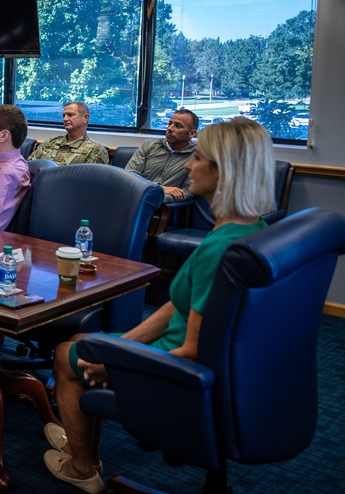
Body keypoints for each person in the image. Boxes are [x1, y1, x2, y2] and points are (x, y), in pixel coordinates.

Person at [43, 117, 274, 493]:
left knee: (66, 355)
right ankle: (81, 441)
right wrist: (121, 345)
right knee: (88, 337)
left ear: (225, 171)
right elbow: (178, 308)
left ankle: (82, 466)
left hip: (181, 370)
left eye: (198, 158)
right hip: (233, 371)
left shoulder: (218, 249)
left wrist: (116, 360)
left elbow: (192, 350)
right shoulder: (254, 228)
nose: (187, 165)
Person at [125, 109, 199, 203]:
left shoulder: (196, 156)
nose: (170, 129)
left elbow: (187, 192)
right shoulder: (149, 145)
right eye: (170, 123)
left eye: (178, 126)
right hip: (132, 199)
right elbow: (129, 177)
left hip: (163, 206)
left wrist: (157, 198)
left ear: (191, 133)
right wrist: (160, 189)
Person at [28, 102, 109, 165]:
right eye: (64, 115)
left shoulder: (95, 150)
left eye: (70, 115)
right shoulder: (49, 143)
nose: (65, 119)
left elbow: (90, 182)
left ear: (85, 118)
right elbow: (29, 167)